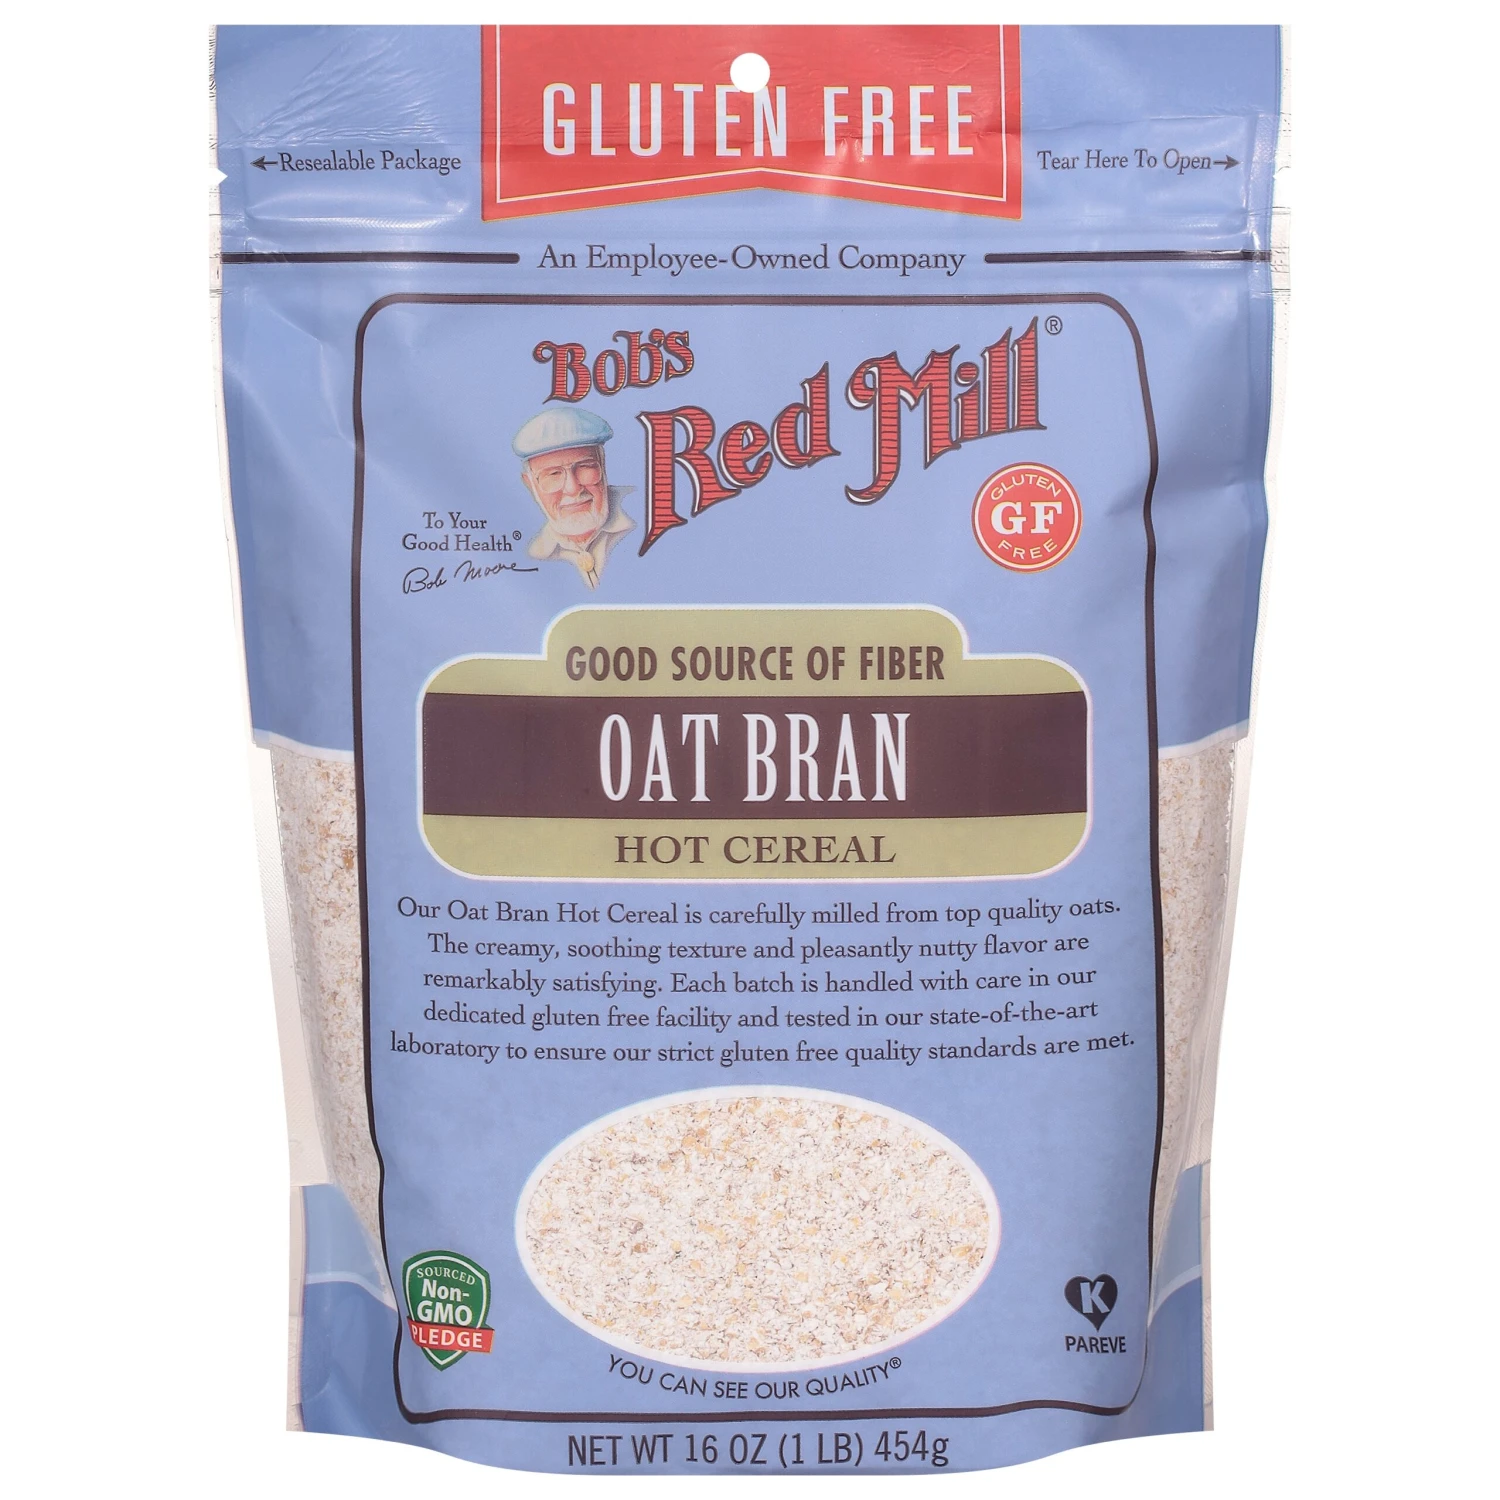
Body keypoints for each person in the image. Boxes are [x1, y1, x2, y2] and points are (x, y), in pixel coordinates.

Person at [513, 408, 635, 588]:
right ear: (531, 485)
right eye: (553, 474)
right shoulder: (534, 554)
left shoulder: (643, 517)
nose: (572, 489)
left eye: (585, 466)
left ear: (603, 466)